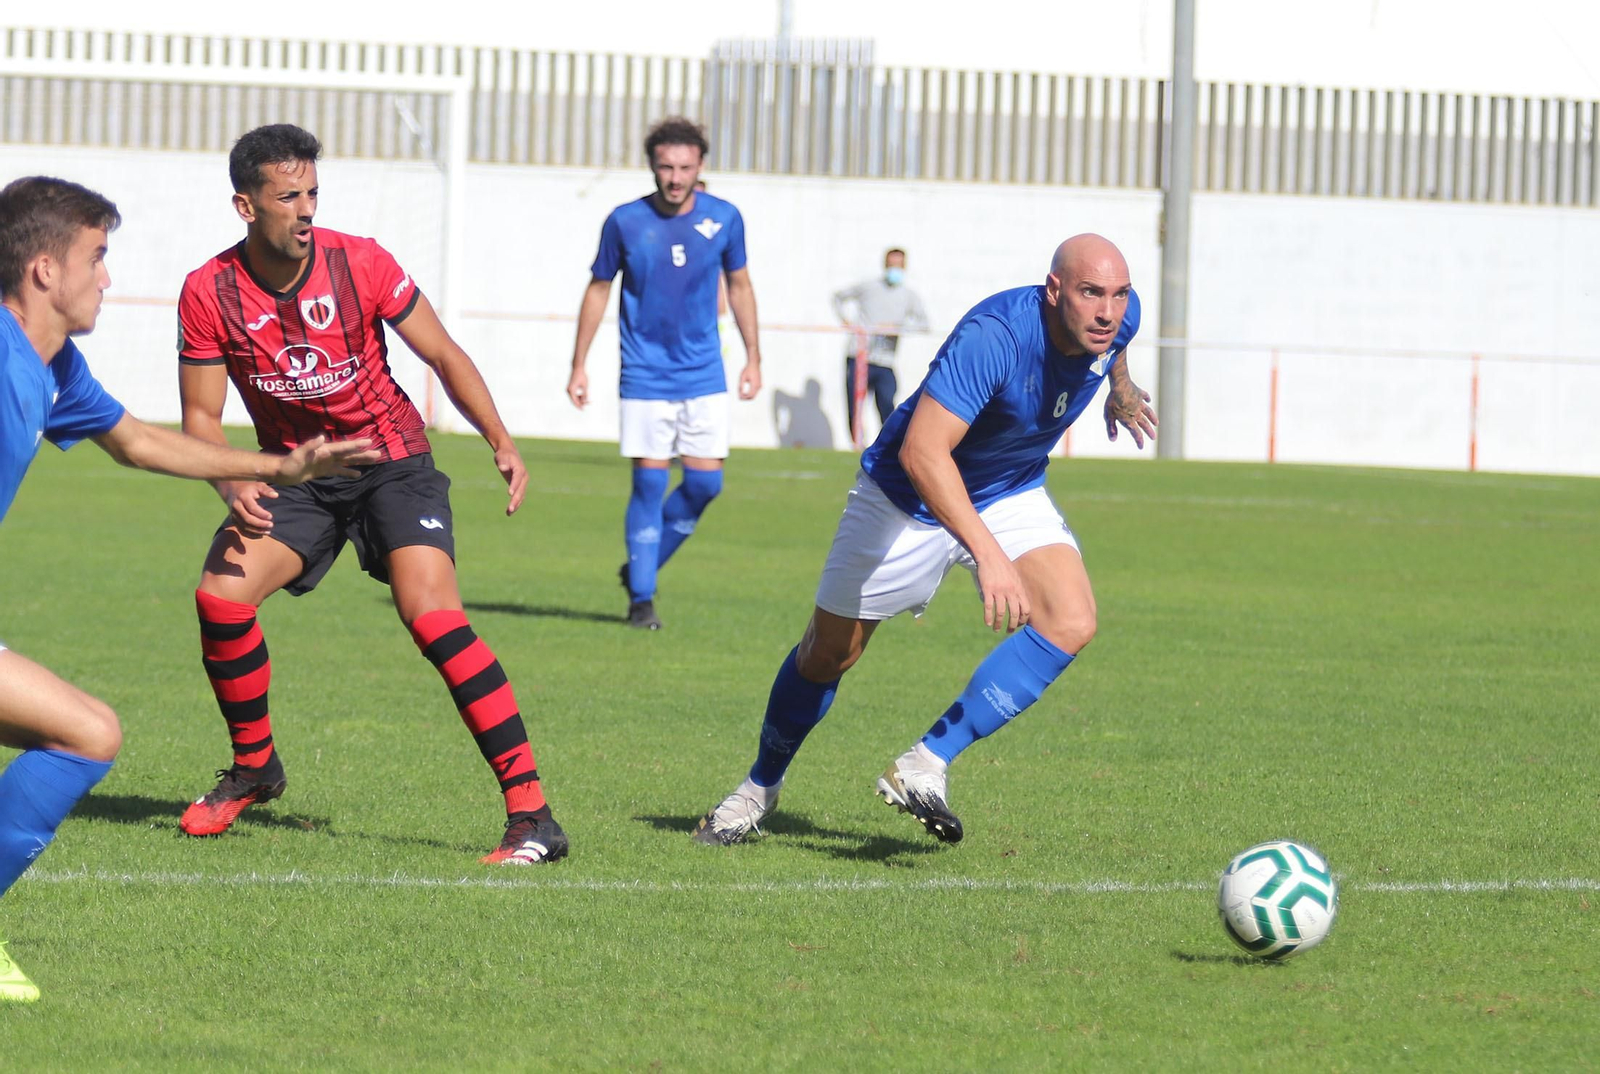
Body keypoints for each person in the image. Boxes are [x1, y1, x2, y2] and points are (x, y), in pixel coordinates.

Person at [0, 175, 377, 1002]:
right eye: (95, 259)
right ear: (41, 271)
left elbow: (136, 442)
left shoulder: (53, 365)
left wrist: (275, 465)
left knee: (87, 733)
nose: (108, 278)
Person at [174, 124, 567, 866]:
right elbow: (200, 419)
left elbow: (443, 353)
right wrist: (233, 481)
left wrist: (501, 440)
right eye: (287, 196)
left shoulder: (361, 261)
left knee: (433, 618)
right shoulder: (209, 291)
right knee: (219, 597)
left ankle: (532, 813)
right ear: (244, 205)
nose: (306, 209)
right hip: (296, 473)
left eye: (313, 193)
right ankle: (255, 766)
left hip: (393, 463)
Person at [693, 234, 1159, 846]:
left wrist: (1120, 388)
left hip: (1008, 487)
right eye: (1091, 293)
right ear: (1054, 291)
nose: (1108, 310)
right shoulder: (995, 336)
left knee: (1071, 619)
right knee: (828, 655)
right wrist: (989, 556)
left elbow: (1115, 344)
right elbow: (922, 452)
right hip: (906, 496)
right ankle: (757, 790)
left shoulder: (1117, 319)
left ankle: (924, 763)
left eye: (1119, 294)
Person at [566, 118, 762, 631]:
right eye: (666, 167)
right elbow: (598, 289)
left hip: (704, 374)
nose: (675, 178)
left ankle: (640, 568)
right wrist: (579, 364)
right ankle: (643, 600)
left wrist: (754, 357)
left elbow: (739, 286)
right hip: (646, 375)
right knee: (650, 486)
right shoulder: (625, 221)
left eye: (685, 168)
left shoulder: (725, 218)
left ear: (701, 167)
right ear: (652, 166)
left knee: (705, 485)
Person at [833, 248, 930, 446]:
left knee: (887, 401)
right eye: (891, 265)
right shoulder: (869, 287)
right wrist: (847, 322)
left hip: (885, 360)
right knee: (855, 405)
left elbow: (924, 324)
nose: (894, 269)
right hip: (859, 356)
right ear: (884, 265)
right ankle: (857, 445)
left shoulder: (909, 296)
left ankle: (889, 445)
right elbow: (837, 298)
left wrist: (898, 328)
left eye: (898, 266)